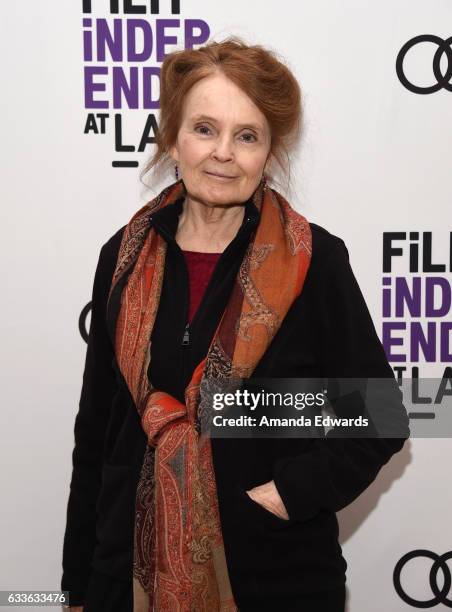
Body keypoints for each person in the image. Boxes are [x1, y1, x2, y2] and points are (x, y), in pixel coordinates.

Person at [61, 37, 410, 611]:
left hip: (273, 578)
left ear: (269, 154)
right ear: (172, 137)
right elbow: (97, 429)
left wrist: (289, 495)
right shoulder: (122, 257)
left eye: (247, 136)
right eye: (204, 128)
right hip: (125, 578)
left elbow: (381, 415)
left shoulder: (312, 262)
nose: (223, 152)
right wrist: (76, 581)